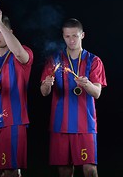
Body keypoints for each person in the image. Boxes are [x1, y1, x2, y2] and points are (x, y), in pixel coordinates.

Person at [40, 18, 107, 177]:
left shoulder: (94, 61)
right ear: (63, 36)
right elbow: (44, 92)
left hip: (85, 125)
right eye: (67, 36)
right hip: (59, 125)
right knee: (64, 171)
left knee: (90, 170)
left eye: (75, 36)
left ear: (82, 35)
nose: (71, 40)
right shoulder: (54, 60)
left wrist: (87, 84)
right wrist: (48, 84)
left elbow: (96, 93)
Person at [0, 8, 33, 177]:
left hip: (13, 121)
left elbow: (18, 52)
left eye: (0, 31)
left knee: (11, 171)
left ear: (9, 32)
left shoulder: (22, 53)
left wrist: (0, 23)